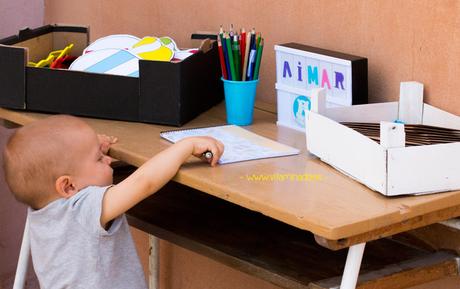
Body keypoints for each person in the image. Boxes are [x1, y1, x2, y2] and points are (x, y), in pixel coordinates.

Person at [3, 115, 224, 289]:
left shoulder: (42, 209)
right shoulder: (84, 207)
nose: (109, 159)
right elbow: (143, 182)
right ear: (69, 186)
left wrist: (86, 151)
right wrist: (185, 146)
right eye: (99, 159)